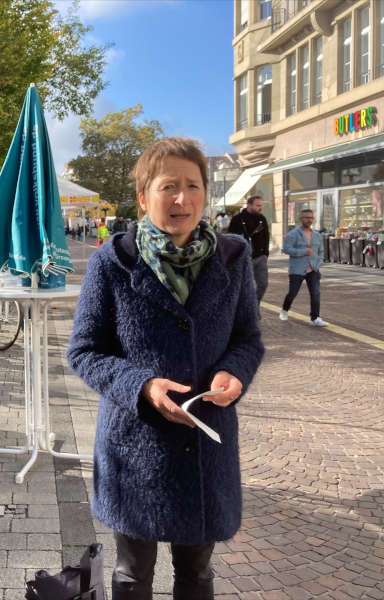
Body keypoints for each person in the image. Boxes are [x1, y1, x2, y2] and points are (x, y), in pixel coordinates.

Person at [67, 137, 264, 600]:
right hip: (135, 446)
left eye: (193, 186)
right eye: (168, 186)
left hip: (205, 445)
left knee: (196, 573)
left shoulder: (232, 259)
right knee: (133, 574)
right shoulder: (112, 263)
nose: (183, 199)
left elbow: (248, 340)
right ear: (143, 196)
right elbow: (84, 351)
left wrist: (234, 372)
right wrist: (142, 386)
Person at [279, 208, 328, 326]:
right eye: (306, 217)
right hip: (297, 269)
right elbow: (286, 249)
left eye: (311, 218)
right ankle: (284, 310)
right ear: (301, 219)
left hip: (313, 269)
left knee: (315, 293)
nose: (309, 220)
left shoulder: (317, 235)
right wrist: (303, 251)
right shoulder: (293, 234)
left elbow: (321, 251)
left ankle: (315, 318)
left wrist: (319, 262)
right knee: (293, 293)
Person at [228, 195, 270, 309]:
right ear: (249, 205)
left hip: (260, 257)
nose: (260, 208)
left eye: (261, 205)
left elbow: (266, 236)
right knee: (245, 286)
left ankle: (254, 307)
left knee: (263, 284)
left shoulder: (262, 219)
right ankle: (247, 311)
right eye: (257, 205)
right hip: (244, 258)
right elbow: (231, 238)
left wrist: (266, 253)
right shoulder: (238, 219)